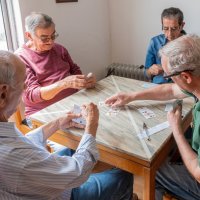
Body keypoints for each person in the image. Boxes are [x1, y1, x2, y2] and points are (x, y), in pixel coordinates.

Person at [0, 50, 135, 200]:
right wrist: (92, 125)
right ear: (3, 94)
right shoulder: (15, 155)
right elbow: (78, 172)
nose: (25, 88)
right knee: (125, 174)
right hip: (62, 195)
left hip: (30, 182)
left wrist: (57, 122)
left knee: (72, 151)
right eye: (22, 83)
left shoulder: (9, 141)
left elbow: (24, 145)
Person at [105, 34, 200, 200]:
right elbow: (170, 90)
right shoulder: (195, 82)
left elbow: (198, 173)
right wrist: (131, 96)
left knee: (152, 169)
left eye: (169, 76)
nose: (167, 79)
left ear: (186, 76)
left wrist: (176, 129)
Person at [15, 12, 96, 117]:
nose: (50, 42)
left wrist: (86, 81)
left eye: (53, 35)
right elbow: (32, 95)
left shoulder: (59, 49)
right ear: (29, 35)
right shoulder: (20, 58)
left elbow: (75, 71)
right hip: (44, 112)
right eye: (44, 38)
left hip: (72, 103)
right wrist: (64, 83)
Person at [145, 7, 186, 84]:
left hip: (181, 89)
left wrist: (167, 69)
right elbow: (146, 73)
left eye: (174, 28)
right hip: (158, 87)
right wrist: (150, 71)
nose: (169, 34)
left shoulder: (192, 44)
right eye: (166, 28)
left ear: (182, 25)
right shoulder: (154, 42)